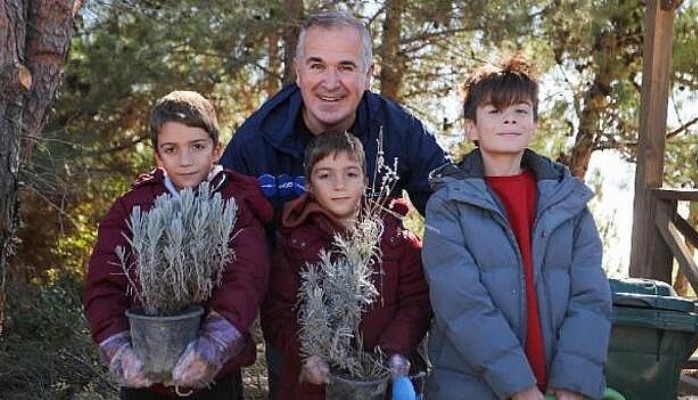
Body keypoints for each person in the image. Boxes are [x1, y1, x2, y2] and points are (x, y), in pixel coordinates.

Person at [421, 55, 612, 400]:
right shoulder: (448, 205)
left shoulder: (569, 202)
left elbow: (591, 297)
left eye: (521, 110)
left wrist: (574, 380)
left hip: (559, 386)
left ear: (535, 125)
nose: (509, 117)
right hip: (473, 387)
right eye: (494, 110)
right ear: (471, 127)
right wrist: (519, 387)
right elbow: (461, 304)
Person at [83, 90, 272, 399]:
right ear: (158, 156)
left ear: (216, 150)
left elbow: (246, 282)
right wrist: (118, 349)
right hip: (146, 379)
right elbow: (103, 285)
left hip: (216, 379)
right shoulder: (133, 207)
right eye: (171, 149)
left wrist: (212, 347)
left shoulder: (236, 204)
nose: (185, 161)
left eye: (197, 147)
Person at [220, 9, 449, 216]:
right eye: (317, 66)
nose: (330, 83)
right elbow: (217, 226)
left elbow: (455, 211)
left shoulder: (400, 130)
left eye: (345, 67)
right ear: (298, 72)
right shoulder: (257, 139)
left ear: (368, 75)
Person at [260, 131, 431, 399]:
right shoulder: (294, 243)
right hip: (315, 386)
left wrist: (394, 350)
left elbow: (417, 302)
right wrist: (308, 355)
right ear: (309, 185)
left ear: (365, 181)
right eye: (325, 175)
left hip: (382, 380)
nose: (339, 185)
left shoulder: (396, 238)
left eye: (350, 174)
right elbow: (277, 313)